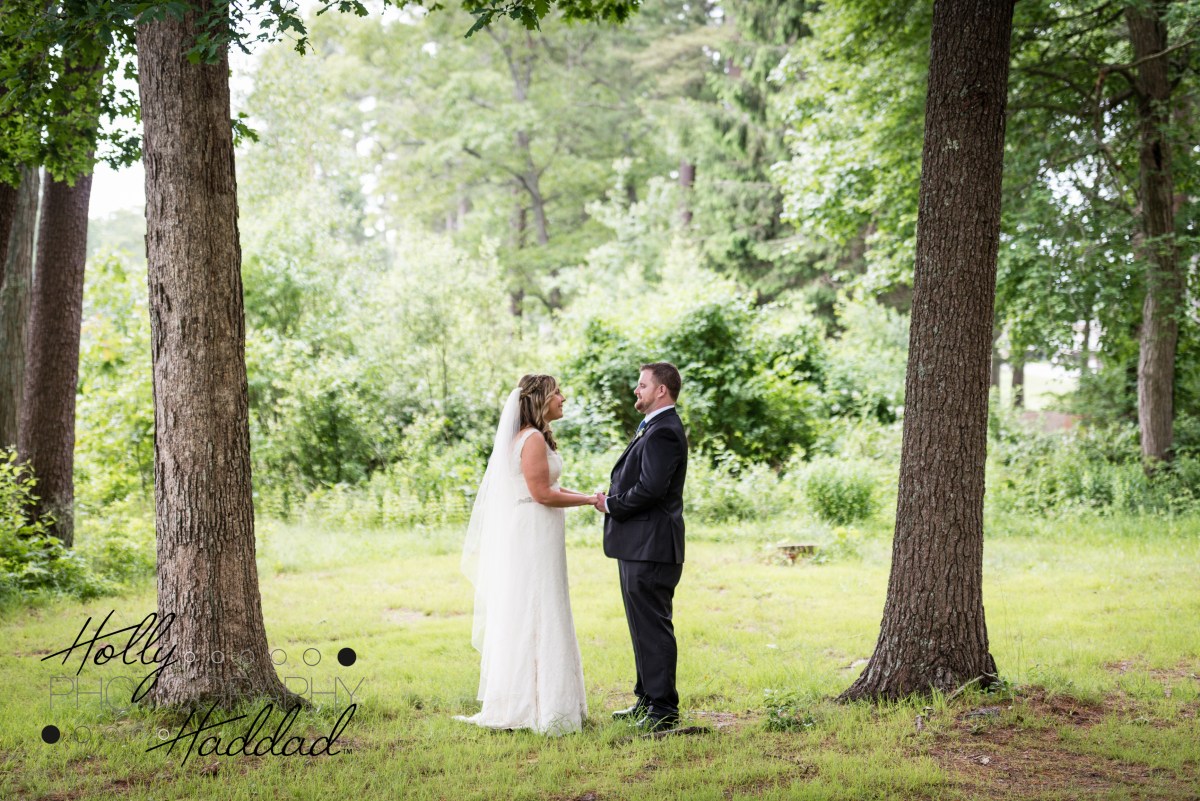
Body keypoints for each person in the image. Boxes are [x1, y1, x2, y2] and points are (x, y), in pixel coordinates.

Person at [456, 374, 598, 735]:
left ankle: (539, 700)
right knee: (540, 605)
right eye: (557, 392)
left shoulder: (531, 436)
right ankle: (541, 706)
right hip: (534, 531)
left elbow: (550, 486)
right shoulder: (532, 438)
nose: (563, 398)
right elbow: (542, 494)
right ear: (540, 399)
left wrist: (590, 497)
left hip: (537, 528)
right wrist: (588, 501)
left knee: (540, 603)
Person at [593, 362, 688, 731]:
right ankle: (647, 700)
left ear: (661, 390)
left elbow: (651, 489)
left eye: (642, 384)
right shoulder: (654, 426)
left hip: (653, 547)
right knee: (640, 627)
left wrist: (611, 505)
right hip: (638, 546)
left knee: (653, 628)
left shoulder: (665, 431)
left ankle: (664, 710)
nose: (637, 390)